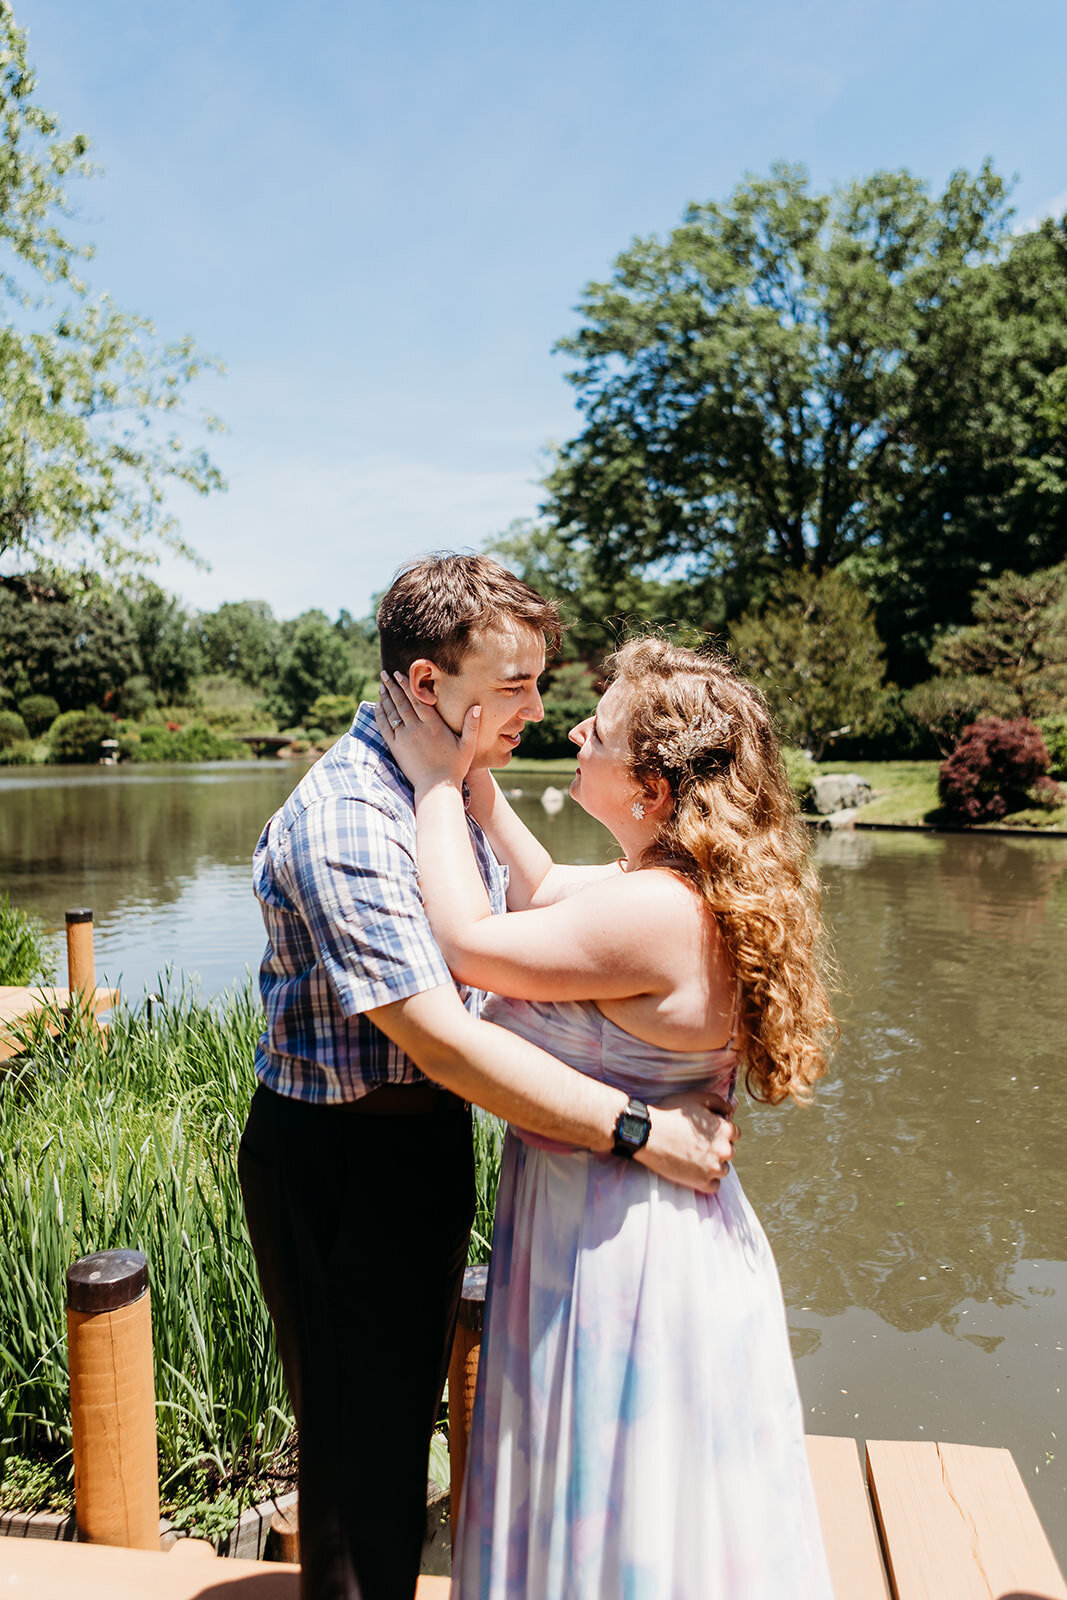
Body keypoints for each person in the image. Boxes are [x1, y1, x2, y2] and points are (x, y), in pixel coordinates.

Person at [238, 556, 739, 1600]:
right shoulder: (352, 817)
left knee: (399, 1417)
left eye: (541, 683)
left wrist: (465, 782)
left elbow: (536, 901)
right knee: (354, 1457)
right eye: (512, 685)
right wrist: (639, 1128)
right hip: (341, 1161)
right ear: (429, 686)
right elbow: (440, 1037)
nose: (540, 708)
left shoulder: (443, 784)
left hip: (421, 1144)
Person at [376, 633, 837, 1599]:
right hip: (636, 1219)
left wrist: (426, 782)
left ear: (652, 790)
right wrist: (482, 795)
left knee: (611, 1499)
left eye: (602, 728)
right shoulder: (667, 887)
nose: (577, 728)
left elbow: (468, 942)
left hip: (618, 1247)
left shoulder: (660, 913)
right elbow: (543, 893)